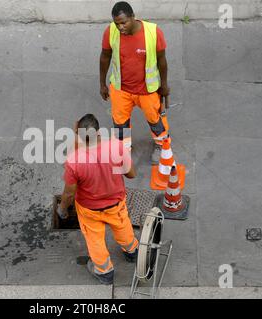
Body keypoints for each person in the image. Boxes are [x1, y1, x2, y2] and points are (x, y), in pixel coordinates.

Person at [59, 114, 139, 285]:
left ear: (78, 136)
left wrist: (63, 209)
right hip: (116, 204)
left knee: (94, 238)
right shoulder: (115, 147)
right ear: (99, 133)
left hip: (90, 210)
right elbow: (131, 174)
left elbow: (68, 194)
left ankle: (104, 271)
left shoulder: (74, 161)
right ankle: (132, 251)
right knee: (122, 225)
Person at [100, 1, 170, 163]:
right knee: (120, 123)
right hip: (120, 89)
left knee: (155, 120)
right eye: (117, 24)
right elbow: (105, 57)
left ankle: (161, 145)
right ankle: (123, 149)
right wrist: (102, 84)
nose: (120, 27)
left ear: (133, 17)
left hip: (147, 90)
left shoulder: (153, 32)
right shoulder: (111, 31)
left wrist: (164, 85)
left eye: (124, 22)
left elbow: (162, 60)